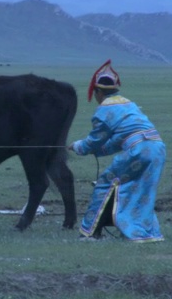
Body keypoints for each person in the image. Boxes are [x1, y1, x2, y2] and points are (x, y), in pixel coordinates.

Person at [68, 59, 166, 243]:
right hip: (157, 148)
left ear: (97, 92)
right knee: (143, 190)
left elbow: (94, 141)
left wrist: (77, 147)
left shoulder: (103, 111)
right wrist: (96, 151)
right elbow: (118, 141)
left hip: (139, 150)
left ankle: (90, 232)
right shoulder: (129, 104)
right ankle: (144, 232)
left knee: (106, 183)